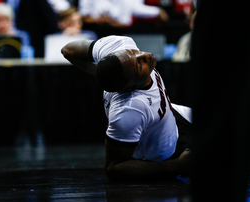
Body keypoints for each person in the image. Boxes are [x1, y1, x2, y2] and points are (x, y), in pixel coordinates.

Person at [61, 35, 191, 181]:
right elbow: (114, 168)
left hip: (174, 115)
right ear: (131, 87)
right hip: (163, 152)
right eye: (139, 65)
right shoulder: (129, 110)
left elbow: (68, 50)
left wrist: (98, 71)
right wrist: (176, 166)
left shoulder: (119, 46)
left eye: (134, 53)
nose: (144, 55)